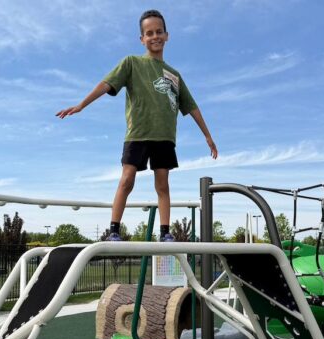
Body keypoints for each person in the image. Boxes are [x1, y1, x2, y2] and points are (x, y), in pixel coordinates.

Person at [56, 9, 218, 242]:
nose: (155, 36)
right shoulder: (132, 63)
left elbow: (192, 107)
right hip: (138, 133)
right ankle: (114, 230)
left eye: (159, 32)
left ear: (167, 35)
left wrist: (207, 136)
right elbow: (106, 83)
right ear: (142, 39)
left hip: (164, 137)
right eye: (149, 33)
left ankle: (165, 233)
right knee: (127, 178)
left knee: (163, 184)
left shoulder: (174, 76)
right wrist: (82, 104)